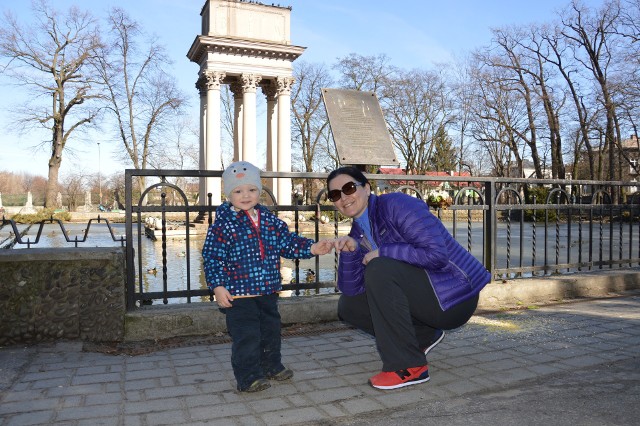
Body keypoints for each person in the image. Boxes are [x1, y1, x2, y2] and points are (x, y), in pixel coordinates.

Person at [327, 166, 491, 390]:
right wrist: (349, 254)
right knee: (348, 306)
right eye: (335, 194)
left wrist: (383, 252)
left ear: (366, 187)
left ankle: (410, 367)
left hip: (455, 295)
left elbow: (437, 255)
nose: (343, 197)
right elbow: (352, 290)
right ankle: (423, 337)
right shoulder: (359, 232)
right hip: (428, 301)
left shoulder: (397, 204)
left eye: (348, 188)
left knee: (379, 267)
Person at [202, 161, 333, 393]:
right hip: (238, 294)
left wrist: (312, 248)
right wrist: (218, 286)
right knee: (247, 336)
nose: (245, 196)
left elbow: (287, 242)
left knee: (271, 331)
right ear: (229, 194)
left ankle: (271, 365)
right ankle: (248, 376)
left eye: (252, 190)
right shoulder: (223, 224)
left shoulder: (269, 220)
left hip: (267, 290)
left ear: (259, 192)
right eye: (238, 191)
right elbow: (213, 257)